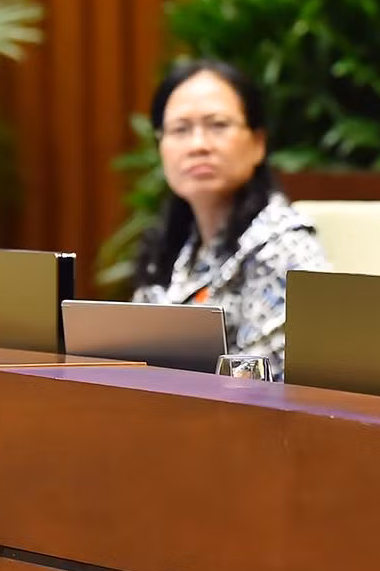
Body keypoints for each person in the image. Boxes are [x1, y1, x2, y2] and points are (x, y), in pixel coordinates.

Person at [132, 59, 329, 379]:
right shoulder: (171, 245)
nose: (198, 145)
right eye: (181, 129)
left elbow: (270, 383)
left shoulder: (284, 247)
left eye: (218, 125)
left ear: (258, 143)